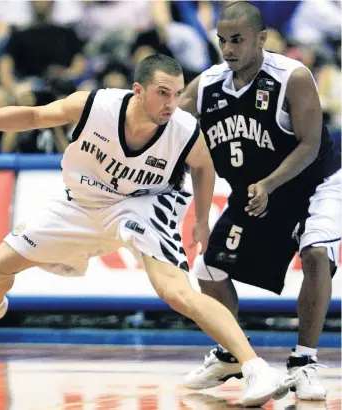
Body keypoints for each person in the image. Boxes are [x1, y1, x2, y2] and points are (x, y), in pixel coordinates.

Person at [0, 54, 294, 407]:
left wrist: (200, 218)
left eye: (178, 93)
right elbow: (35, 115)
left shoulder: (183, 129)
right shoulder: (96, 106)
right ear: (138, 90)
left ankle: (256, 367)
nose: (171, 103)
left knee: (176, 292)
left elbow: (203, 167)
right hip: (81, 205)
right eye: (162, 93)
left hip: (143, 204)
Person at [179, 2, 341, 401]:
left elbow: (310, 144)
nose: (228, 49)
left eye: (238, 40)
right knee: (207, 270)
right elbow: (168, 127)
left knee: (317, 252)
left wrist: (269, 182)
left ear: (261, 39)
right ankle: (234, 352)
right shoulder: (207, 85)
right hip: (258, 188)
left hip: (316, 182)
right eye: (222, 41)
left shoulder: (292, 77)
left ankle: (304, 362)